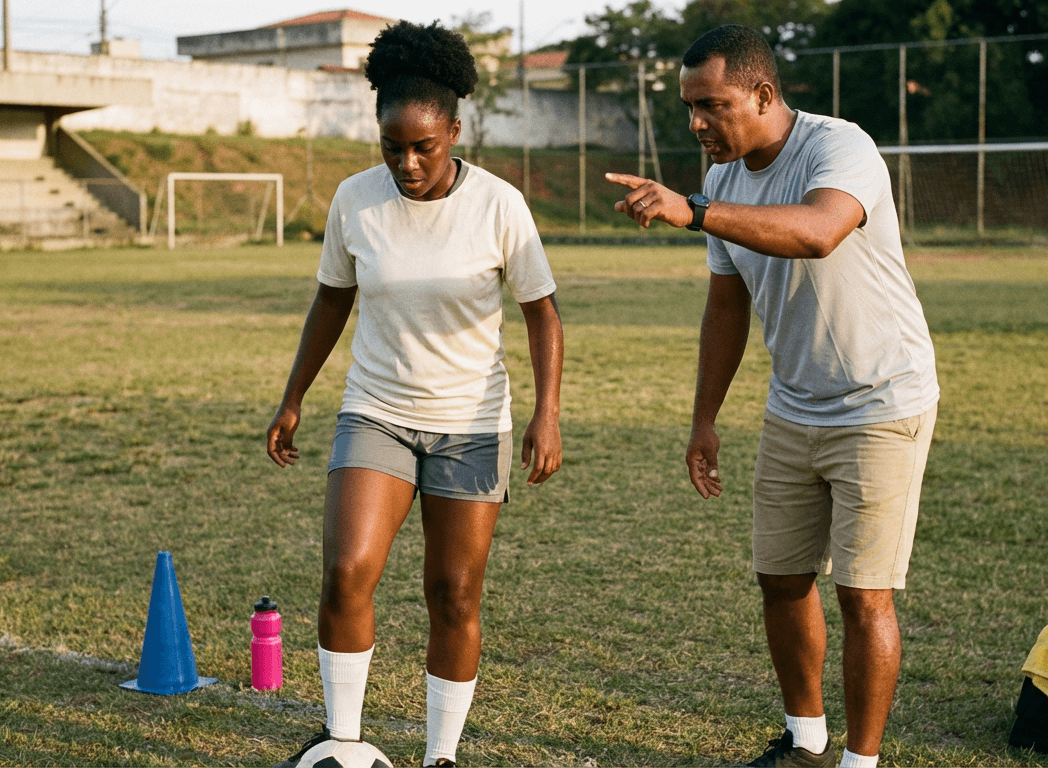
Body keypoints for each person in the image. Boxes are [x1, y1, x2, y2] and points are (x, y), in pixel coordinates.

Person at [607, 24, 939, 768]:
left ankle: (861, 762)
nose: (697, 124)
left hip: (881, 401)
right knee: (781, 578)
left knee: (864, 595)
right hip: (794, 404)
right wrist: (704, 419)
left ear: (762, 94)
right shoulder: (723, 179)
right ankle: (806, 741)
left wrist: (693, 210)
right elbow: (727, 305)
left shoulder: (838, 147)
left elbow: (819, 231)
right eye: (689, 108)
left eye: (712, 106)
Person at [265, 19, 564, 768]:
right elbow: (332, 300)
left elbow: (543, 313)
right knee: (346, 572)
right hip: (377, 412)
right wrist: (294, 396)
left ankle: (442, 756)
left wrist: (547, 413)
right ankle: (342, 743)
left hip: (472, 424)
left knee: (454, 593)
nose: (406, 163)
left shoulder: (499, 205)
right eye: (391, 146)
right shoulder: (354, 201)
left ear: (455, 132)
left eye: (423, 146)